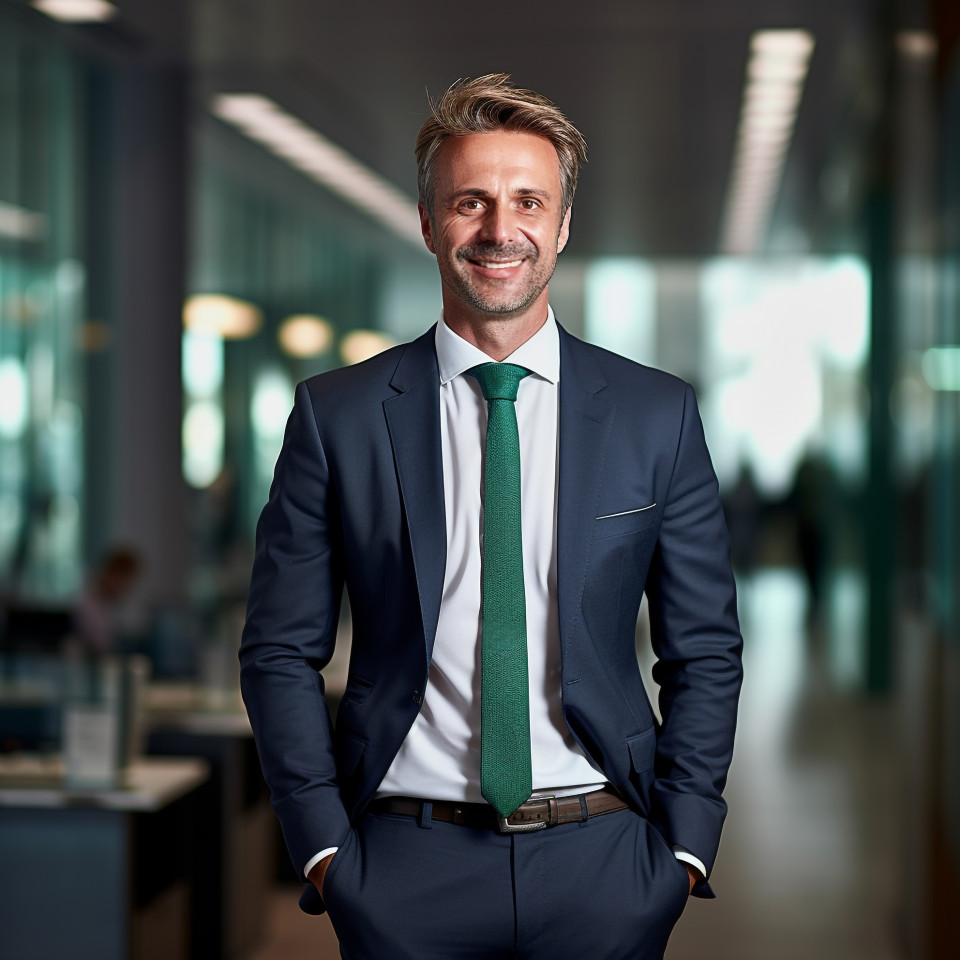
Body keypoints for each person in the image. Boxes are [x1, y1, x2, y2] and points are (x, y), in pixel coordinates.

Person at [240, 73, 743, 960]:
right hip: (403, 865)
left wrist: (684, 849)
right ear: (430, 223)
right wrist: (323, 849)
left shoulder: (654, 414)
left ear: (562, 224)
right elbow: (281, 647)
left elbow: (703, 647)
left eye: (526, 202)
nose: (499, 230)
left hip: (605, 859)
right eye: (470, 202)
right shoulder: (340, 415)